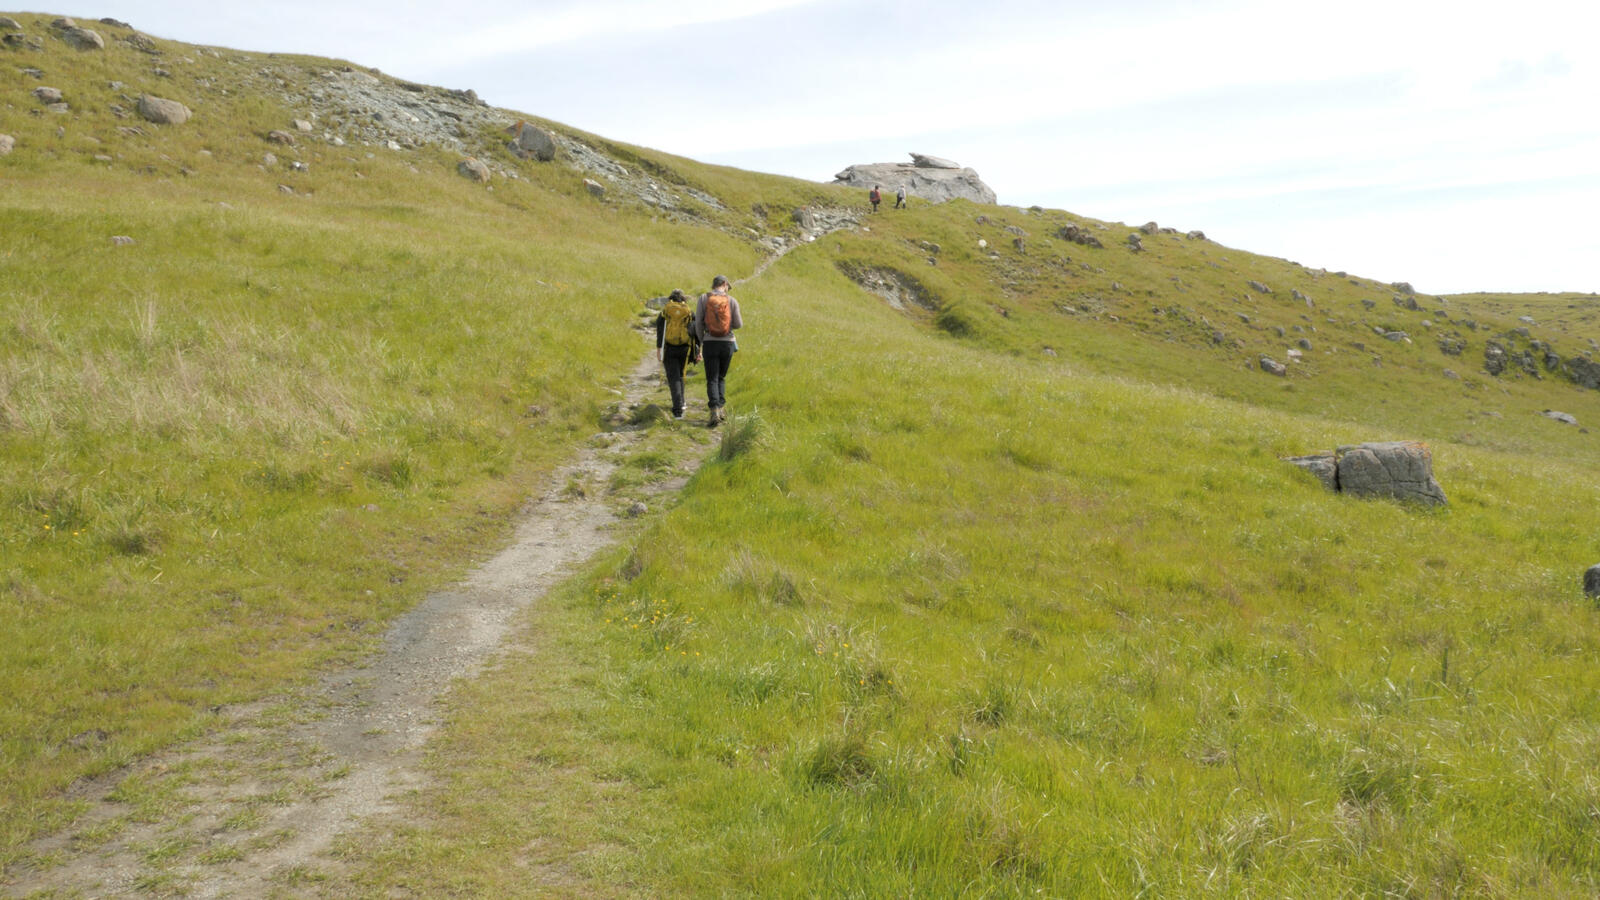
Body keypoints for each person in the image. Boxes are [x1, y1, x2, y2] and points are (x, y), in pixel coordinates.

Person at [695, 275, 743, 427]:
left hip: (709, 343)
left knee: (712, 378)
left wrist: (702, 340)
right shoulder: (732, 301)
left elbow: (698, 323)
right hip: (727, 343)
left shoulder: (703, 298)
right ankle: (721, 408)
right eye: (728, 286)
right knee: (721, 377)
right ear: (724, 284)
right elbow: (738, 324)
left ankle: (714, 409)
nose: (728, 289)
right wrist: (726, 326)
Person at [654, 289, 698, 419]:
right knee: (680, 375)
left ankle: (677, 410)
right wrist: (697, 351)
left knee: (673, 378)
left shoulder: (666, 311)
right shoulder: (689, 312)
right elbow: (695, 332)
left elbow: (660, 330)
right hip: (684, 348)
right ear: (683, 299)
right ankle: (682, 402)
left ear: (670, 299)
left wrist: (659, 349)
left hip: (669, 348)